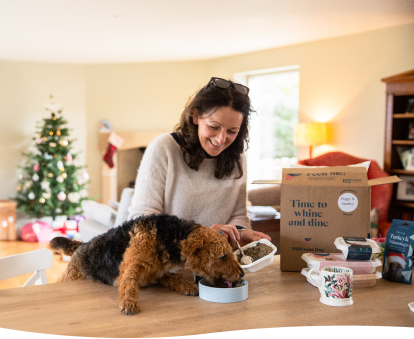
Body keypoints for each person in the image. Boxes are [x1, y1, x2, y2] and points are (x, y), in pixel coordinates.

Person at [127, 77, 270, 248]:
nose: (221, 139)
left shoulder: (237, 158)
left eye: (232, 131)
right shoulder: (164, 148)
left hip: (215, 266)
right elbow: (140, 222)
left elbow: (238, 215)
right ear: (195, 116)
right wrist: (203, 235)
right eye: (214, 126)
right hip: (168, 267)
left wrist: (239, 232)